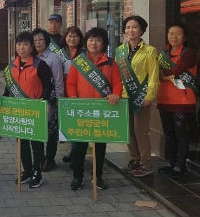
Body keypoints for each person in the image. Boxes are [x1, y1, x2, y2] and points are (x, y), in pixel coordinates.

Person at [66, 27, 122, 191]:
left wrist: (116, 94)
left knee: (99, 146)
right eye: (90, 40)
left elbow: (117, 83)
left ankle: (98, 177)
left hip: (102, 111)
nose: (93, 43)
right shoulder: (79, 62)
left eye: (97, 40)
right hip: (82, 110)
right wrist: (73, 97)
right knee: (78, 147)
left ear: (103, 43)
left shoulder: (111, 63)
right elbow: (70, 84)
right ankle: (78, 176)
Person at [4, 31, 56, 189]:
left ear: (32, 47)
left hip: (35, 110)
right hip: (18, 111)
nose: (22, 47)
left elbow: (48, 86)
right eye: (19, 44)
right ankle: (26, 170)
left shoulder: (40, 65)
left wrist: (46, 103)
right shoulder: (11, 66)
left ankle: (37, 173)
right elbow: (8, 88)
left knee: (36, 143)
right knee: (22, 142)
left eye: (25, 44)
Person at [115, 15, 160, 178]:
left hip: (141, 97)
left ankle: (146, 162)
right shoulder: (120, 51)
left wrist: (150, 96)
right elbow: (117, 75)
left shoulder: (150, 51)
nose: (130, 30)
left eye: (134, 27)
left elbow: (154, 75)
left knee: (140, 131)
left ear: (141, 30)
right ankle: (134, 159)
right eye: (127, 27)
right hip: (124, 97)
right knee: (128, 131)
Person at [156, 23, 197, 178]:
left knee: (181, 134)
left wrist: (162, 74)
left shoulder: (188, 53)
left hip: (182, 101)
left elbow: (176, 70)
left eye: (178, 34)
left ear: (184, 37)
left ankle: (181, 166)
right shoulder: (163, 53)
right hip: (164, 99)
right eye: (171, 33)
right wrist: (164, 76)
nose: (174, 36)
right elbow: (155, 73)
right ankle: (172, 164)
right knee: (169, 133)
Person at [31, 28, 64, 172]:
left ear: (47, 41)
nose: (37, 43)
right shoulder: (30, 57)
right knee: (36, 129)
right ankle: (40, 157)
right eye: (35, 40)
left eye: (41, 40)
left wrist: (59, 99)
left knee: (51, 131)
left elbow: (58, 80)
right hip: (33, 100)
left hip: (49, 99)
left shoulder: (53, 58)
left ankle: (50, 159)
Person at [60, 26, 85, 164]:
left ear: (80, 38)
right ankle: (73, 150)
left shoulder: (84, 53)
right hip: (63, 91)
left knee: (78, 124)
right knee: (68, 123)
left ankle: (76, 154)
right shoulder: (60, 53)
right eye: (69, 36)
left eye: (75, 36)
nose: (72, 38)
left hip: (78, 92)